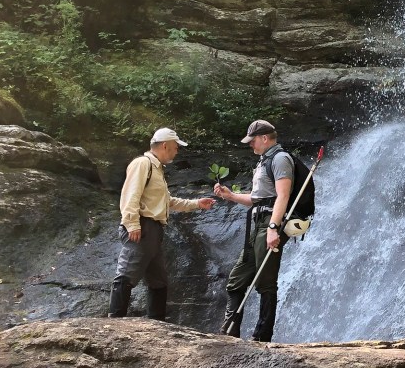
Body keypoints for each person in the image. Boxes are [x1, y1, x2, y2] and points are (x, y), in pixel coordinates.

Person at [108, 127, 216, 320]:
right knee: (126, 274)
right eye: (175, 147)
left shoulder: (157, 169)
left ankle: (157, 324)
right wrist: (132, 224)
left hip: (154, 230)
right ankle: (114, 322)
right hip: (142, 226)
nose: (177, 152)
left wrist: (197, 204)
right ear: (165, 145)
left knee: (158, 280)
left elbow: (168, 202)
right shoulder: (143, 164)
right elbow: (130, 195)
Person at [213, 119, 295, 342]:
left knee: (266, 282)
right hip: (258, 222)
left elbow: (283, 196)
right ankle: (230, 333)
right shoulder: (263, 162)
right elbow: (257, 199)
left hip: (269, 222)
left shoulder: (280, 159)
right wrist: (230, 196)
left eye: (253, 140)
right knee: (236, 279)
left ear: (265, 138)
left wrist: (273, 228)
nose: (250, 144)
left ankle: (262, 338)